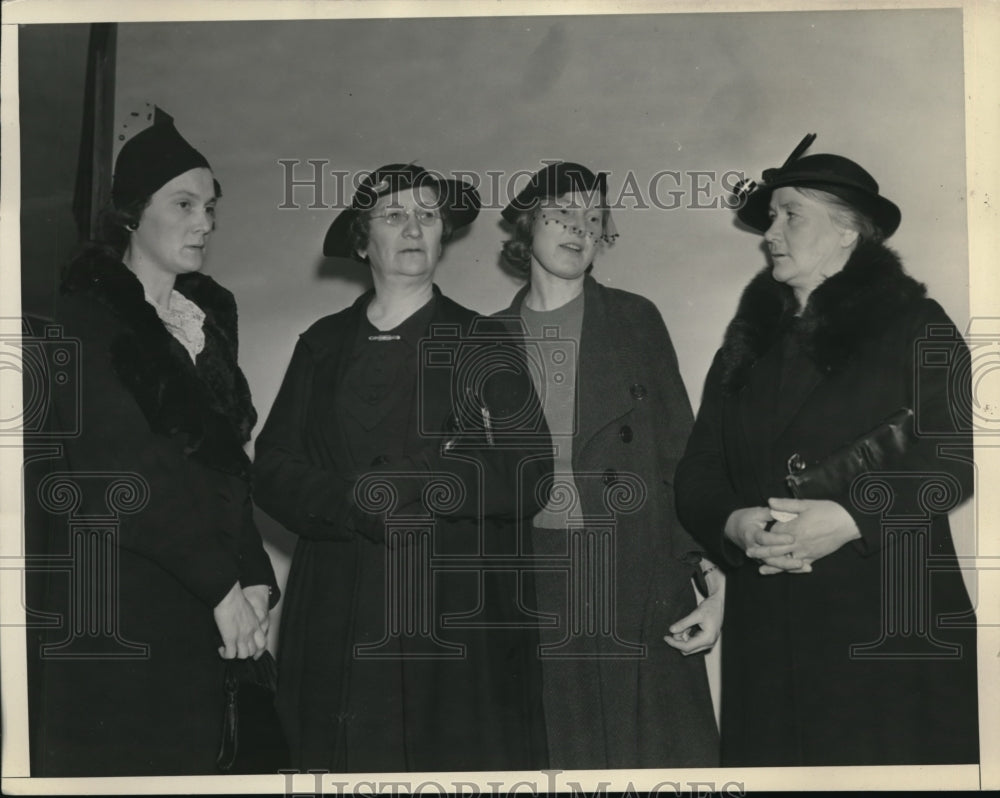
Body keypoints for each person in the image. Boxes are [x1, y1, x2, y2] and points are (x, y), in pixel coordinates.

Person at [675, 135, 979, 766]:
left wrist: (844, 520)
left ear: (849, 234)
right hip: (769, 632)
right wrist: (734, 522)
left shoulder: (917, 324)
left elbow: (951, 464)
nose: (771, 232)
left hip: (888, 626)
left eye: (792, 214)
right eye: (771, 217)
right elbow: (699, 472)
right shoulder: (747, 345)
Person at [253, 163, 552, 772]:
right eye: (394, 216)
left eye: (427, 215)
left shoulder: (482, 340)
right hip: (338, 595)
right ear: (363, 241)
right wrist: (354, 503)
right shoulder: (321, 344)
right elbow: (274, 468)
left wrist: (414, 483)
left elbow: (531, 470)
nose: (414, 227)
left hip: (449, 602)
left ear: (443, 235)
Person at [26, 112, 279, 776]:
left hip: (206, 610)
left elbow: (227, 473)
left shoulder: (203, 328)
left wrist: (255, 580)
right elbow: (125, 475)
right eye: (185, 203)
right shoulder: (86, 320)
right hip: (124, 615)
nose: (205, 222)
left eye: (211, 207)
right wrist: (224, 591)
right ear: (134, 213)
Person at [495, 161, 722, 769]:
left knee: (650, 757)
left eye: (594, 218)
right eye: (563, 212)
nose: (581, 227)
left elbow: (683, 450)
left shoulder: (635, 319)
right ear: (525, 226)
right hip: (530, 579)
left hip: (634, 569)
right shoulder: (483, 338)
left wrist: (707, 564)